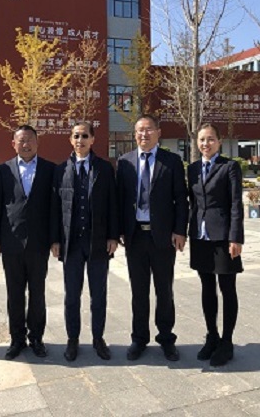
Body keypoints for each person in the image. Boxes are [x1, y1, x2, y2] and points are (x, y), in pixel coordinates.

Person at [117, 114, 188, 361]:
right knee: (138, 291)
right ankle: (139, 339)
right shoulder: (125, 162)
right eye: (139, 130)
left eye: (148, 129)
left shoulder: (172, 161)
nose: (143, 134)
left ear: (159, 132)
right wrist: (119, 231)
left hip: (163, 237)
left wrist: (180, 231)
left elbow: (181, 199)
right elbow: (120, 199)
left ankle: (166, 338)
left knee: (164, 290)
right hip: (135, 236)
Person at [51, 121, 118, 362]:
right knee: (72, 296)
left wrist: (113, 236)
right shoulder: (61, 170)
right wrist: (55, 240)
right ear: (71, 140)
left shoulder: (104, 168)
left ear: (92, 140)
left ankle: (98, 338)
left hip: (97, 241)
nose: (80, 140)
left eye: (85, 136)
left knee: (98, 295)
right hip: (71, 243)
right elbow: (55, 208)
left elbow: (113, 203)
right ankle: (72, 339)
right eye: (76, 136)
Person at [0, 125, 55, 360]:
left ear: (37, 143)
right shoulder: (2, 171)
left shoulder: (50, 169)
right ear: (13, 144)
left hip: (39, 243)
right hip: (11, 242)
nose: (26, 144)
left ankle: (36, 338)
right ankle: (17, 339)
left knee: (37, 293)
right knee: (14, 293)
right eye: (21, 140)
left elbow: (54, 208)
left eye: (30, 140)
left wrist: (55, 239)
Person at [187, 123, 244, 367]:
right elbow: (192, 202)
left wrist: (235, 238)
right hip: (200, 237)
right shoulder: (192, 169)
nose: (205, 144)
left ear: (219, 142)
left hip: (223, 238)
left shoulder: (229, 167)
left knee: (227, 288)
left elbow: (236, 204)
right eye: (202, 139)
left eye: (210, 139)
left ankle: (227, 342)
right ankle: (212, 336)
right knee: (207, 288)